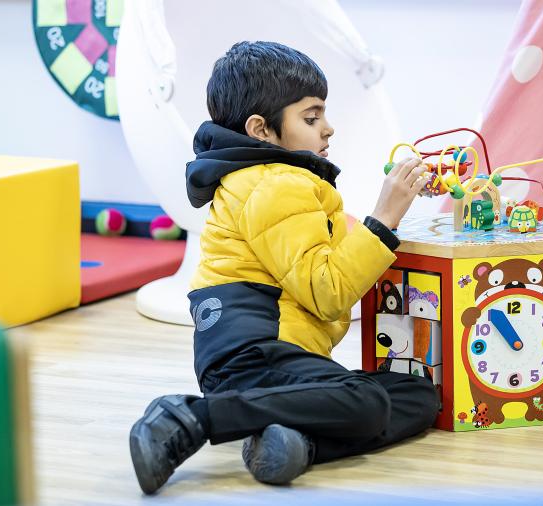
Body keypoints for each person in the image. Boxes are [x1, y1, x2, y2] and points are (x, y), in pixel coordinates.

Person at [129, 41, 439, 495]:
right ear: (262, 130)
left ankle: (295, 443)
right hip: (256, 357)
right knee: (368, 403)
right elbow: (328, 290)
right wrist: (384, 219)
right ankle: (191, 417)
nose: (328, 129)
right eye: (311, 118)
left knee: (416, 395)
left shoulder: (274, 179)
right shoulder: (274, 184)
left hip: (276, 360)